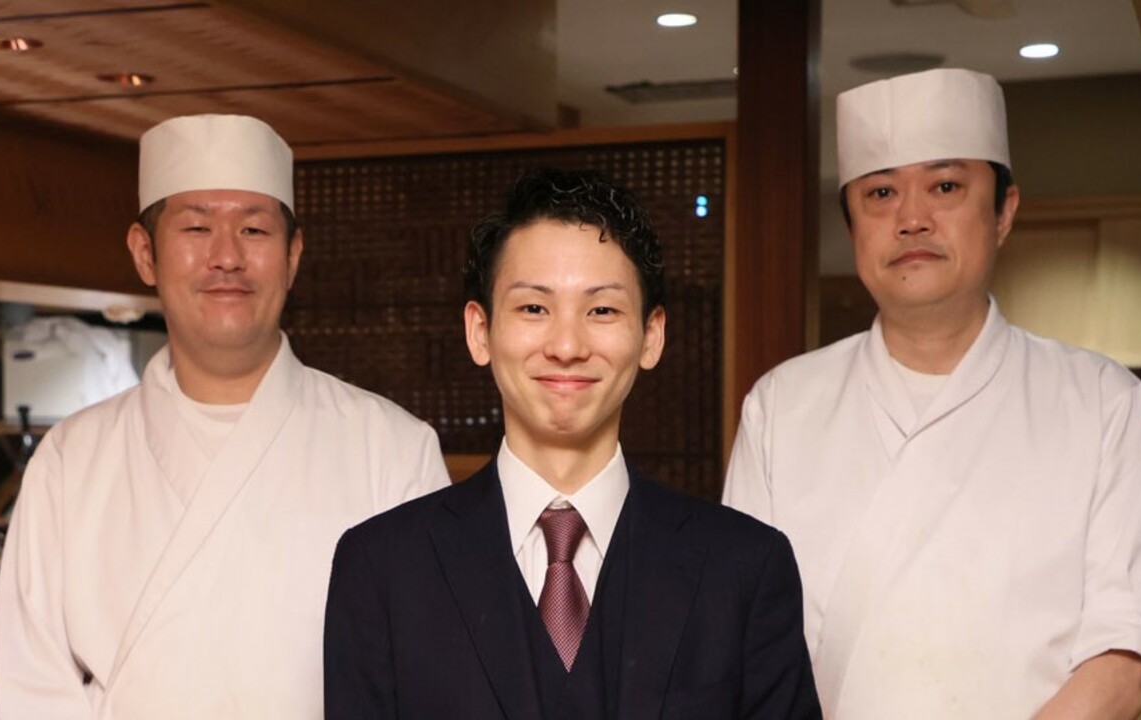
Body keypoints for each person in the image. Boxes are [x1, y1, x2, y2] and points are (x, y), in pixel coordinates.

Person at [723, 68, 1141, 718]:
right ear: (852, 225)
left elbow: (1126, 652)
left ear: (1004, 212)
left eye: (945, 186)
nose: (911, 218)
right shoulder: (782, 406)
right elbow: (742, 642)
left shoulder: (1100, 399)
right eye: (881, 192)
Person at [324, 167, 821, 719]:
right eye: (534, 308)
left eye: (602, 310)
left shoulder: (743, 567)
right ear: (480, 331)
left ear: (651, 335)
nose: (566, 345)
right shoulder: (383, 567)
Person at [0, 114, 449, 718]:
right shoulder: (70, 459)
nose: (227, 257)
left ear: (292, 257)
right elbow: (35, 694)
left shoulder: (392, 449)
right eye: (197, 227)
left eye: (255, 229)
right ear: (145, 253)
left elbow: (431, 684)